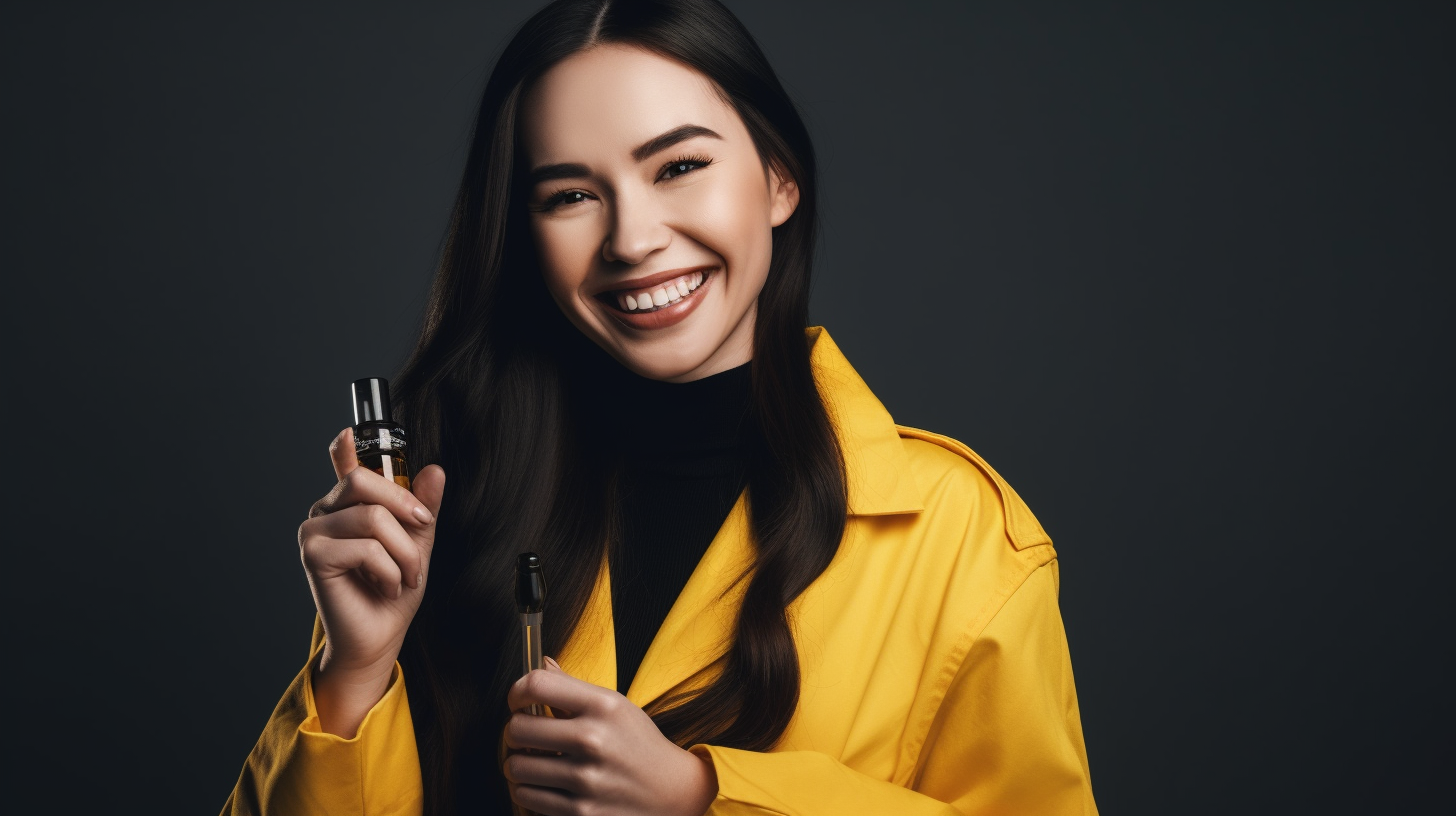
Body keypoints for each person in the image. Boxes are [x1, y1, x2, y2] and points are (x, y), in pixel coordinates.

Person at [223, 1, 1098, 814]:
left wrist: (701, 796)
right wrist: (352, 677)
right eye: (569, 195)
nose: (633, 240)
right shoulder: (445, 503)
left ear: (779, 178)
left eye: (679, 166)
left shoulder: (962, 538)